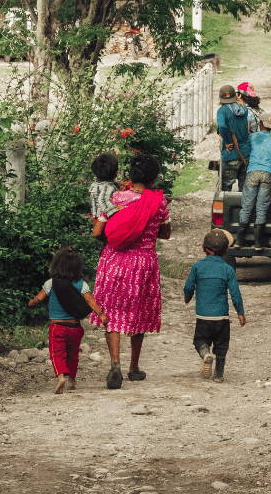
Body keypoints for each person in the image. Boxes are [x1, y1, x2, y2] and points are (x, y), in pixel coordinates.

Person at [89, 153, 171, 389]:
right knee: (139, 313)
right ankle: (134, 367)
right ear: (153, 178)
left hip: (113, 260)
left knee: (112, 313)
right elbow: (165, 234)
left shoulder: (116, 198)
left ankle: (115, 362)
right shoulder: (158, 202)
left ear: (130, 176)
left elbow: (99, 230)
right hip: (143, 262)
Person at [27, 246, 107, 394]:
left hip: (57, 326)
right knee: (73, 354)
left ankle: (61, 377)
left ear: (56, 265)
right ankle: (72, 379)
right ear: (78, 266)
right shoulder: (81, 284)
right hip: (75, 327)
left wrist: (31, 302)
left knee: (57, 353)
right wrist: (101, 315)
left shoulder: (51, 283)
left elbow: (39, 298)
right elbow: (90, 301)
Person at [183, 229, 246, 383]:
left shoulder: (198, 267)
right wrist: (240, 313)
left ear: (204, 248)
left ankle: (205, 353)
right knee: (222, 347)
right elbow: (235, 293)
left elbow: (188, 287)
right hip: (222, 318)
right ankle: (218, 374)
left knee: (199, 340)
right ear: (225, 250)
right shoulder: (228, 269)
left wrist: (188, 297)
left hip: (203, 317)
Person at [237, 113, 271, 248]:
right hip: (268, 175)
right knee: (262, 208)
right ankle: (258, 242)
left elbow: (245, 152)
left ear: (261, 124)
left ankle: (239, 240)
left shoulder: (252, 137)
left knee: (247, 206)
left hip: (253, 173)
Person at [216, 84, 251, 191]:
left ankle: (227, 208)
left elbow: (222, 127)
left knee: (226, 188)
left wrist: (227, 142)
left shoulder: (222, 111)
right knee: (244, 189)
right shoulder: (244, 108)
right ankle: (243, 207)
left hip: (230, 154)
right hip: (245, 154)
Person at [88, 152, 120, 236]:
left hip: (96, 219)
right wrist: (117, 212)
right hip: (104, 223)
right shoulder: (109, 187)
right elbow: (102, 200)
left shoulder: (94, 185)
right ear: (115, 173)